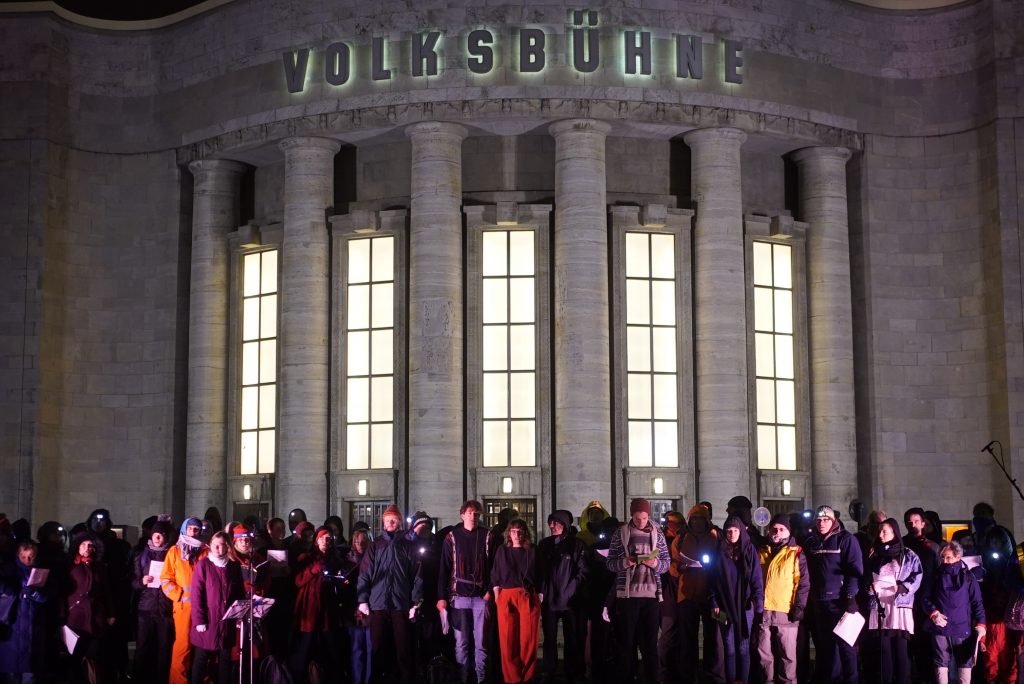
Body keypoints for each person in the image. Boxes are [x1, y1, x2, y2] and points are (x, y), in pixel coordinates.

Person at [606, 498, 671, 684]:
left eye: (644, 518)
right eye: (637, 518)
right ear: (631, 515)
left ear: (648, 516)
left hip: (651, 596)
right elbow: (610, 563)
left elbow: (666, 562)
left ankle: (652, 679)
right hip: (627, 596)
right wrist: (625, 562)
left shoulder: (657, 533)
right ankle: (627, 677)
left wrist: (654, 563)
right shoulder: (621, 533)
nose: (641, 522)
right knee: (626, 643)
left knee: (649, 644)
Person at [358, 504, 422, 684]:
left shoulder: (409, 546)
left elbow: (417, 576)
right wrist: (362, 600)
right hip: (378, 605)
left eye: (393, 520)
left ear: (399, 522)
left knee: (403, 650)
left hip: (400, 605)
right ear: (383, 522)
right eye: (387, 520)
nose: (390, 523)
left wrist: (416, 602)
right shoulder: (375, 545)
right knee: (378, 649)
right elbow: (365, 574)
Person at [804, 505, 863, 684]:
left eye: (826, 520)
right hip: (818, 601)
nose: (822, 523)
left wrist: (851, 597)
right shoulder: (811, 542)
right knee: (825, 647)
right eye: (819, 520)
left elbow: (854, 570)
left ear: (833, 520)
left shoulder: (846, 539)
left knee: (846, 646)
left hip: (839, 601)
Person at [438, 499, 492, 684]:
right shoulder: (452, 537)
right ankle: (463, 678)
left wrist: (489, 590)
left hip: (481, 597)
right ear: (462, 515)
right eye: (470, 513)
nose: (473, 516)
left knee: (481, 643)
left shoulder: (487, 536)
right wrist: (441, 597)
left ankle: (481, 679)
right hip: (459, 597)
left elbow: (494, 566)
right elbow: (444, 568)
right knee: (461, 643)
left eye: (476, 513)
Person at [863, 518, 922, 684]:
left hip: (899, 605)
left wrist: (902, 587)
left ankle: (904, 680)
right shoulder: (874, 554)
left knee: (901, 648)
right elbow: (866, 576)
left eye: (885, 532)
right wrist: (869, 588)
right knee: (884, 649)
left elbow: (917, 575)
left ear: (894, 532)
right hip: (879, 603)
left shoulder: (908, 554)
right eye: (879, 531)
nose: (881, 535)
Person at [669, 503, 722, 684]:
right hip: (687, 595)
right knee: (687, 639)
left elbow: (722, 561)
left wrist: (711, 567)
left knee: (713, 637)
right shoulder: (681, 538)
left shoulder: (715, 537)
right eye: (694, 519)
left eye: (701, 519)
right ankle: (688, 676)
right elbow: (673, 565)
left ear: (707, 520)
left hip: (711, 597)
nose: (697, 522)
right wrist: (680, 568)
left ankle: (711, 674)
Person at [921, 541, 986, 684]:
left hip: (962, 626)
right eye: (943, 557)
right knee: (940, 661)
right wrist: (933, 613)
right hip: (940, 626)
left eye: (948, 557)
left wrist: (981, 624)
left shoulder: (968, 577)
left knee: (964, 662)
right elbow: (925, 598)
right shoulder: (935, 576)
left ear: (958, 557)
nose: (944, 561)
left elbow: (977, 602)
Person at [710, 516, 764, 684]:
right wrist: (713, 602)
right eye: (729, 531)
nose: (732, 534)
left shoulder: (749, 550)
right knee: (729, 648)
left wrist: (758, 603)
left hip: (745, 607)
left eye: (735, 530)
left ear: (741, 532)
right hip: (722, 607)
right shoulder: (718, 551)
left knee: (743, 648)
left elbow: (756, 578)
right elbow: (711, 580)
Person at [755, 513, 808, 684]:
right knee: (764, 655)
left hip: (786, 611)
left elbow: (803, 583)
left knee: (788, 655)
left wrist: (799, 607)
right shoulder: (762, 551)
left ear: (788, 532)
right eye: (774, 529)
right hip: (764, 610)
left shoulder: (796, 553)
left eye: (781, 529)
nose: (777, 532)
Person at [537, 509, 587, 684]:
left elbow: (583, 571)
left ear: (565, 524)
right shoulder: (544, 544)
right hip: (549, 601)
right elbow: (539, 570)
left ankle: (572, 673)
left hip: (570, 602)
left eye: (555, 522)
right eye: (550, 522)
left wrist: (571, 590)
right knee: (549, 640)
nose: (551, 526)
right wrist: (542, 591)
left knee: (571, 639)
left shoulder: (577, 545)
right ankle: (548, 672)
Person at [291, 527, 345, 683]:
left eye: (328, 538)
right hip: (309, 608)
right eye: (322, 538)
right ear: (316, 540)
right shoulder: (306, 558)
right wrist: (313, 570)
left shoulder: (336, 559)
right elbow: (298, 581)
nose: (326, 541)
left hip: (328, 609)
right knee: (305, 649)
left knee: (329, 650)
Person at [189, 531, 244, 684]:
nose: (218, 549)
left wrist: (239, 615)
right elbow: (196, 595)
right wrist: (199, 620)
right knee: (201, 659)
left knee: (225, 659)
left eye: (222, 545)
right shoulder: (203, 565)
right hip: (208, 622)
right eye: (215, 545)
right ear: (210, 546)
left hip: (227, 622)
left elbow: (239, 593)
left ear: (227, 546)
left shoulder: (233, 566)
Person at [491, 519, 540, 684]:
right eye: (513, 531)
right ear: (508, 533)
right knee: (508, 639)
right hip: (507, 596)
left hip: (528, 595)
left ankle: (527, 677)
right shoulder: (502, 550)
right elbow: (495, 574)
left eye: (519, 531)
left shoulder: (532, 550)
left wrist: (539, 596)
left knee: (529, 639)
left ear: (525, 532)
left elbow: (541, 573)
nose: (516, 534)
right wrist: (497, 595)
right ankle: (512, 678)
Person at [161, 517, 206, 684]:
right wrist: (178, 595)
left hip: (203, 608)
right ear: (184, 529)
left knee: (203, 647)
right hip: (183, 608)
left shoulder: (205, 551)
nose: (193, 532)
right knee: (183, 646)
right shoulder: (174, 551)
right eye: (190, 528)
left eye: (196, 529)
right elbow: (166, 579)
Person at [66, 533, 115, 684]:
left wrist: (111, 613)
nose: (87, 548)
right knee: (75, 656)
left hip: (95, 616)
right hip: (75, 617)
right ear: (77, 547)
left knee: (93, 655)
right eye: (83, 545)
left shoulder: (99, 567)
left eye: (90, 545)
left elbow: (107, 591)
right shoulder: (70, 565)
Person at [0, 541, 50, 682]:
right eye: (23, 557)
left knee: (30, 673)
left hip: (33, 626)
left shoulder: (42, 570)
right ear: (18, 555)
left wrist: (35, 593)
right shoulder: (8, 570)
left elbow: (48, 594)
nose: (27, 560)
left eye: (31, 557)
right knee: (11, 673)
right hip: (12, 625)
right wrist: (9, 590)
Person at [134, 519, 174, 684]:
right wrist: (141, 581)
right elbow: (133, 582)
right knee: (143, 647)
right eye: (155, 534)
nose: (158, 538)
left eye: (161, 535)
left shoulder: (172, 555)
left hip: (165, 608)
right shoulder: (142, 556)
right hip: (146, 609)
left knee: (164, 648)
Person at [656, 510, 686, 684]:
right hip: (667, 592)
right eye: (671, 523)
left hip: (683, 591)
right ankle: (664, 674)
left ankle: (678, 672)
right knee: (667, 635)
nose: (673, 527)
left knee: (681, 636)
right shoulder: (660, 541)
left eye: (677, 524)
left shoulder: (686, 539)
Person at [344, 528, 372, 684]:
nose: (360, 544)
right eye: (357, 541)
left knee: (370, 649)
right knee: (356, 649)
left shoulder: (374, 560)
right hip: (352, 611)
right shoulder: (347, 562)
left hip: (371, 609)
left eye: (363, 541)